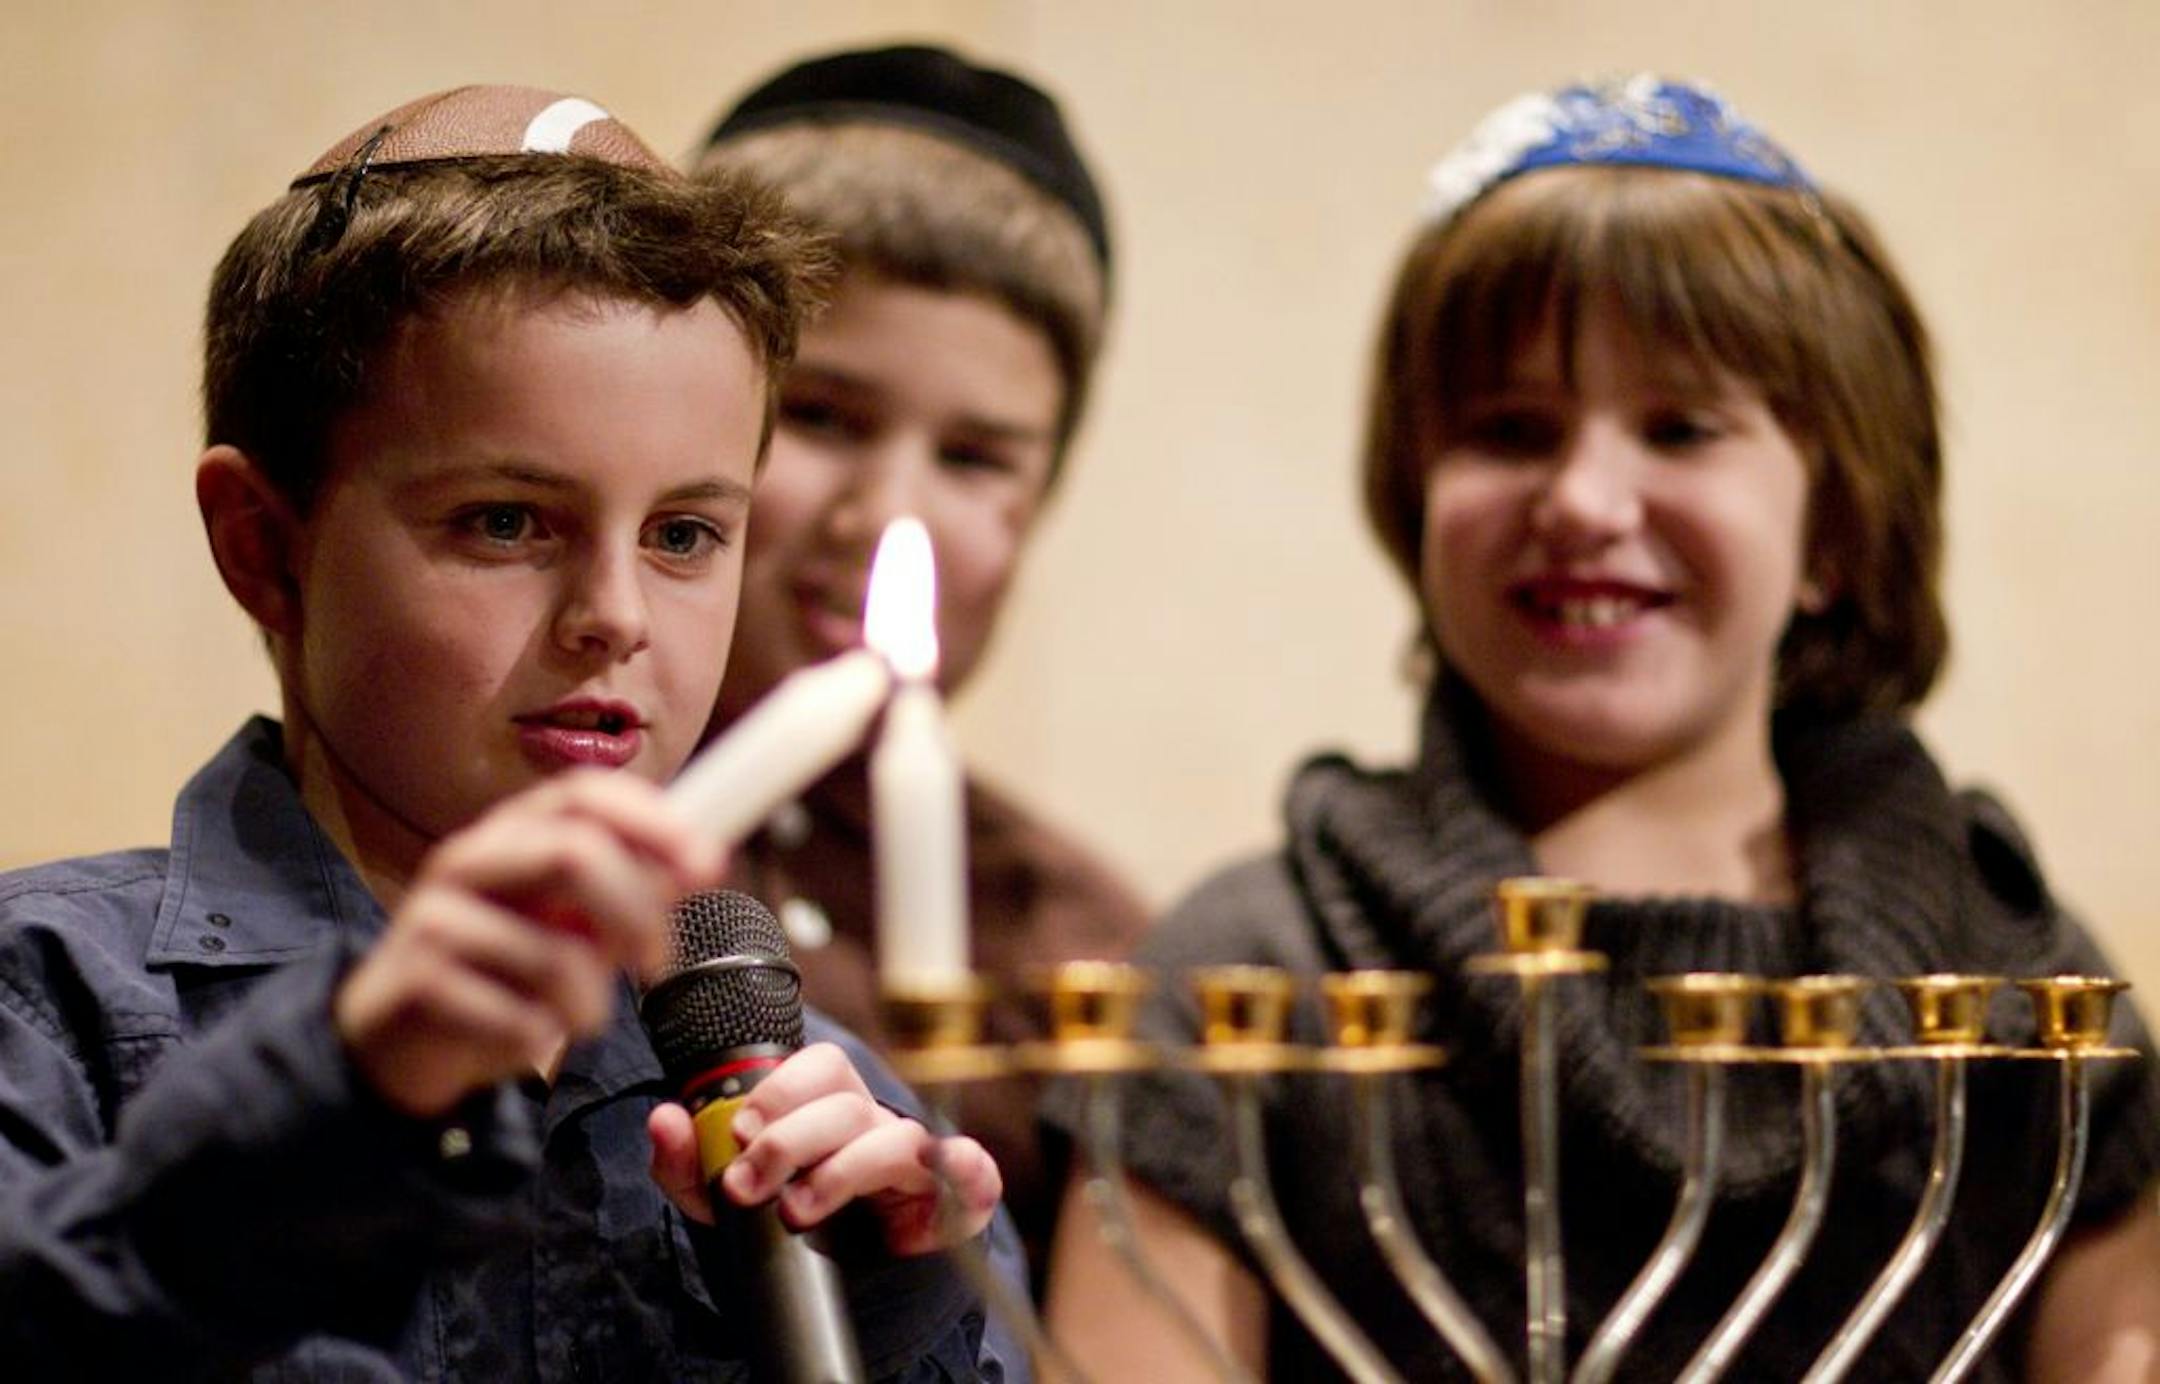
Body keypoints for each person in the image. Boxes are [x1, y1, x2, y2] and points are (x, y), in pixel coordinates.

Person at [1041, 77, 2160, 1380]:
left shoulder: (2019, 989)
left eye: (1681, 428)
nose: (1581, 500)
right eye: (1510, 431)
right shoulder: (1253, 983)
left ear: (1837, 527)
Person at [0, 84, 1008, 1379]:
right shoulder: (47, 1007)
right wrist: (339, 1098)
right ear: (263, 546)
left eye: (684, 534)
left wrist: (881, 1323)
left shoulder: (820, 1101)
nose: (615, 617)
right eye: (506, 522)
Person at [691, 44, 1150, 1288]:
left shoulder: (1082, 956)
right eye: (821, 416)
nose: (891, 518)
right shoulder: (503, 840)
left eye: (976, 457)